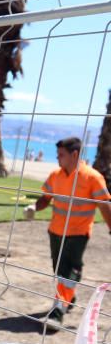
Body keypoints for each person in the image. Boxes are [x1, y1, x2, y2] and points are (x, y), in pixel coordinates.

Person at [22, 137, 111, 330]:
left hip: (78, 233)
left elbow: (104, 205)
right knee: (59, 269)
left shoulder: (92, 177)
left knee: (68, 271)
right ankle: (69, 298)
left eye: (61, 155)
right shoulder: (56, 175)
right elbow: (46, 198)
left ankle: (57, 312)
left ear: (75, 154)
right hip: (55, 231)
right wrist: (34, 207)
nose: (57, 158)